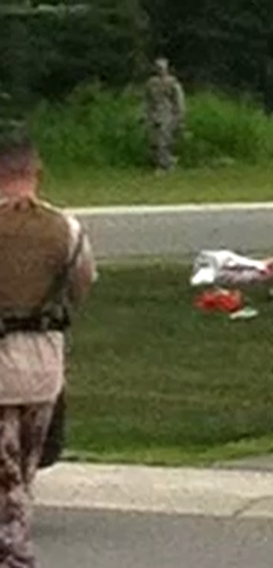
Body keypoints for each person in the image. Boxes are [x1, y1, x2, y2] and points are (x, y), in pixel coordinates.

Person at [0, 130, 97, 567]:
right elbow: (81, 285)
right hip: (43, 363)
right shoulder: (66, 228)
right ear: (34, 172)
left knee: (7, 481)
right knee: (23, 471)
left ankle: (15, 554)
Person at [144, 57, 186, 173]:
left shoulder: (173, 83)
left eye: (162, 68)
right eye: (158, 68)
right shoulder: (151, 83)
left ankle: (165, 166)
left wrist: (180, 115)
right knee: (154, 141)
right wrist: (147, 114)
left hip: (168, 114)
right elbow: (148, 100)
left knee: (164, 141)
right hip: (154, 114)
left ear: (166, 69)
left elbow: (179, 100)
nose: (160, 70)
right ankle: (164, 162)